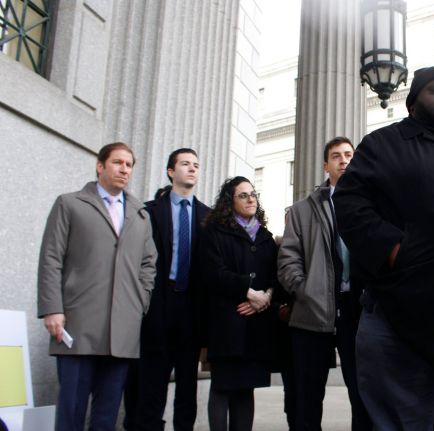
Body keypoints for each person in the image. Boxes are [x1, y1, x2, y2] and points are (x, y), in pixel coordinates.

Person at [333, 65, 434, 429]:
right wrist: (394, 250)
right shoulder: (383, 144)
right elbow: (349, 203)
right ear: (412, 103)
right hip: (400, 315)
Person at [37, 142, 157, 430]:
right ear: (100, 165)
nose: (124, 169)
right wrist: (52, 309)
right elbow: (51, 258)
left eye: (129, 165)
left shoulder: (140, 214)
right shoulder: (70, 203)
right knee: (72, 411)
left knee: (106, 414)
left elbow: (148, 264)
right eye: (117, 162)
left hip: (122, 330)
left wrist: (139, 301)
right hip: (79, 324)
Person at [278, 137, 371, 431]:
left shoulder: (370, 203)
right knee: (308, 398)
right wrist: (304, 289)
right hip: (312, 309)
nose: (343, 160)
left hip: (356, 309)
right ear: (325, 165)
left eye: (348, 155)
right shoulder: (302, 210)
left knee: (362, 394)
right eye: (336, 156)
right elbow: (288, 257)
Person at [123, 149, 211, 430]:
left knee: (187, 380)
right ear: (171, 171)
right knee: (153, 378)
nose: (192, 169)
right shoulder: (149, 212)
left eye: (196, 165)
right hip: (158, 304)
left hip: (191, 307)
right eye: (185, 164)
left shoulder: (207, 217)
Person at [200, 176, 281, 431]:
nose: (250, 199)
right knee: (223, 387)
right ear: (229, 201)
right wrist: (247, 292)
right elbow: (213, 273)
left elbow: (275, 276)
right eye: (243, 195)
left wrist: (266, 297)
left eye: (253, 194)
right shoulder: (215, 231)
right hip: (227, 322)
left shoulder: (265, 236)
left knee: (246, 390)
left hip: (257, 324)